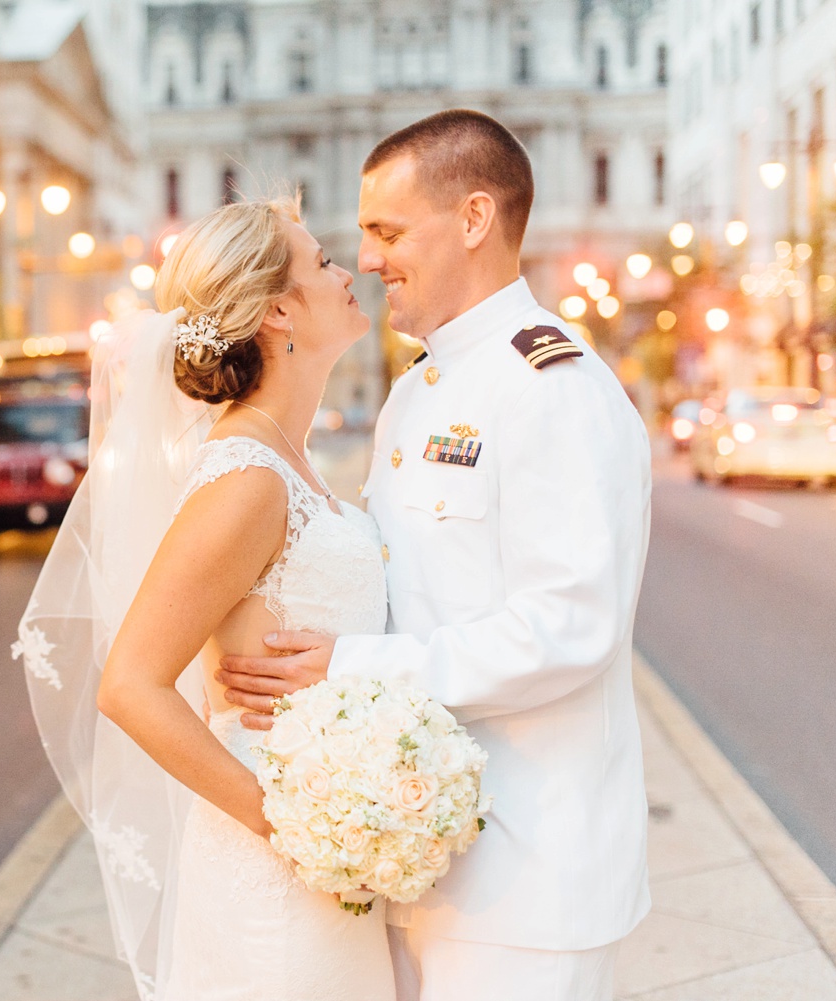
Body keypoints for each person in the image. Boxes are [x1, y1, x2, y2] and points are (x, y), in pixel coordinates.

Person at [217, 109, 653, 1001]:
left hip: (530, 879)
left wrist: (348, 668)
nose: (368, 259)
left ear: (474, 219)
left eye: (386, 231)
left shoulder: (552, 388)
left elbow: (570, 626)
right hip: (415, 861)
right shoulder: (416, 393)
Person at [15, 197, 396, 999]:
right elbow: (129, 684)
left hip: (329, 839)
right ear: (279, 309)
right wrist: (284, 821)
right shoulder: (248, 478)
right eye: (323, 262)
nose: (349, 270)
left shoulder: (287, 457)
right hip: (278, 858)